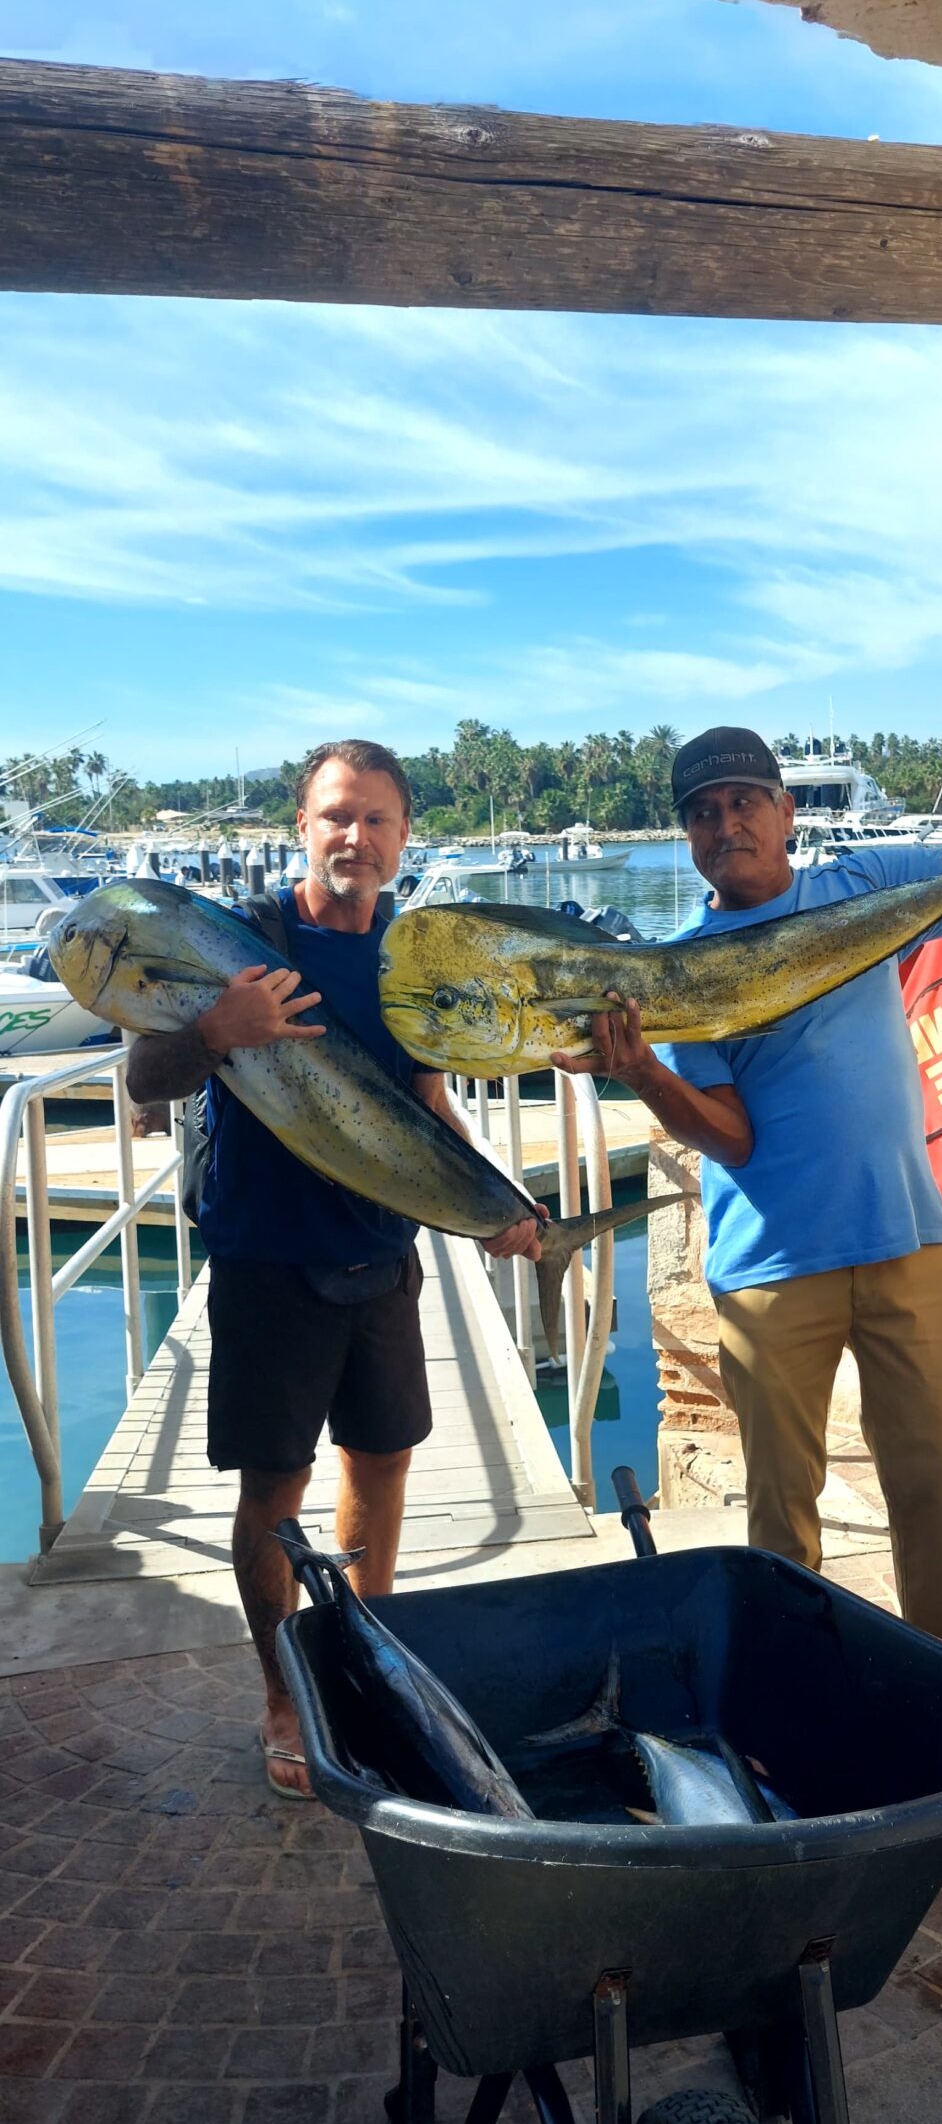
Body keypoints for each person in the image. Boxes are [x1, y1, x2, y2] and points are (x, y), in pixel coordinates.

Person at [126, 739, 539, 1796]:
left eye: (376, 820)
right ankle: (282, 1692)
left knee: (383, 1464)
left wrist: (496, 1206)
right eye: (335, 816)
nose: (355, 837)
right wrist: (220, 1025)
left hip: (385, 1256)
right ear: (302, 825)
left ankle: (364, 1663)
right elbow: (145, 1080)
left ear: (404, 837)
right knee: (276, 1490)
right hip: (268, 1261)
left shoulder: (408, 964)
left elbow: (428, 1107)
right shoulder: (237, 943)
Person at [552, 725, 942, 1658]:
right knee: (782, 1529)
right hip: (771, 1271)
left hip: (907, 1242)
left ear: (786, 811)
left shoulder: (868, 883)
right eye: (702, 813)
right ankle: (798, 1719)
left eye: (743, 802)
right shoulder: (676, 974)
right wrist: (639, 1071)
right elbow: (731, 1136)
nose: (726, 824)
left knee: (934, 1500)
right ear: (687, 838)